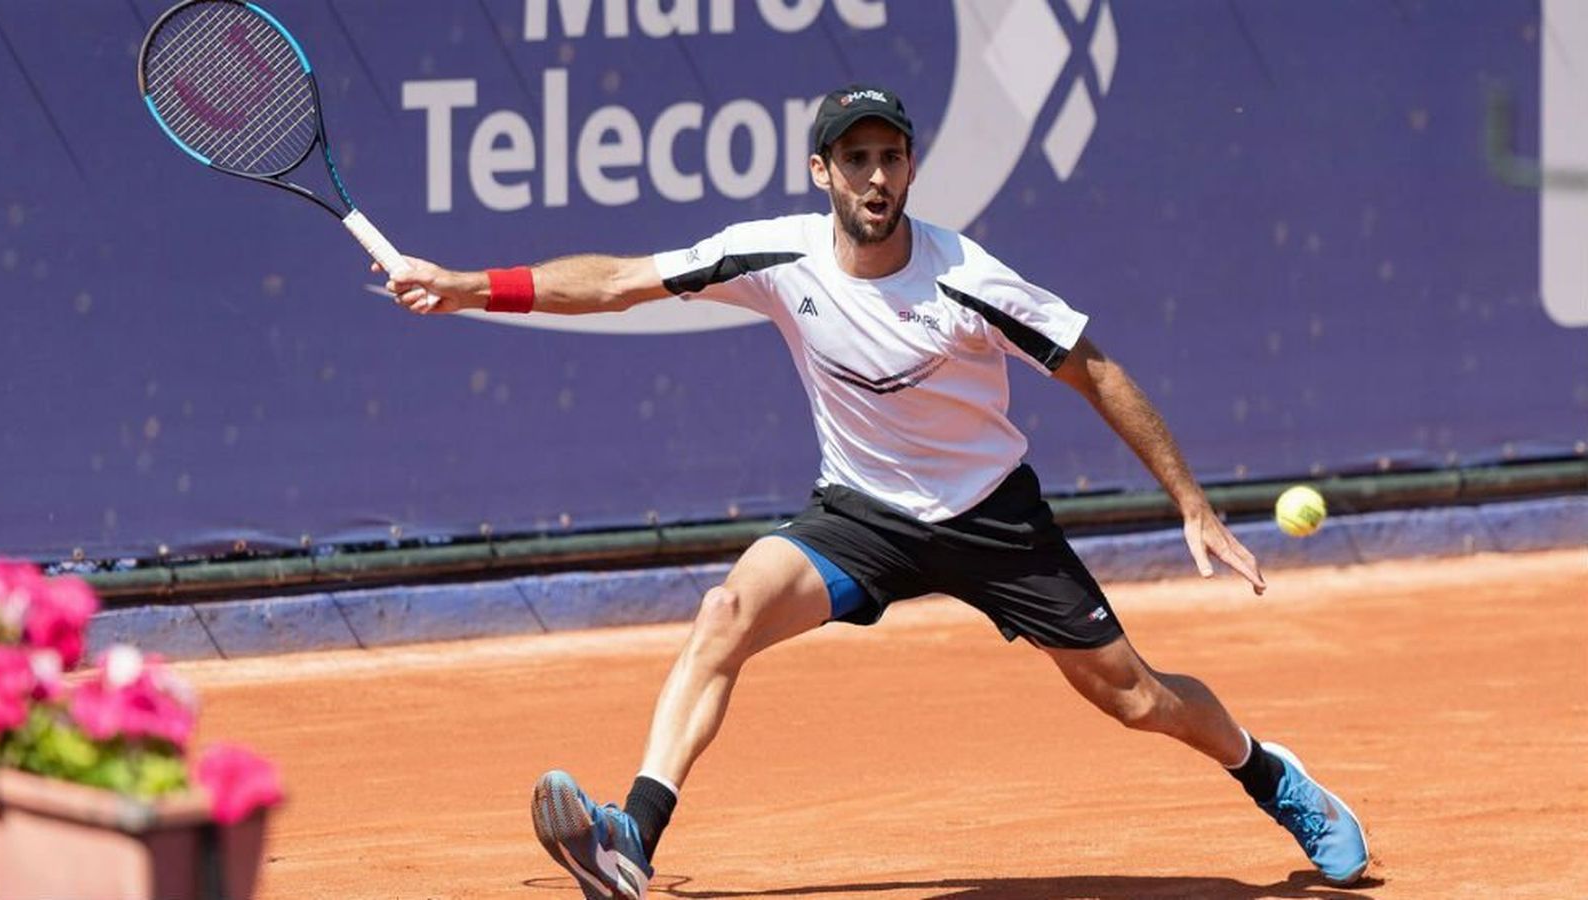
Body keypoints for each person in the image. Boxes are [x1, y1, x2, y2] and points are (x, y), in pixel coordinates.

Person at [379, 84, 1370, 898]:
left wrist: (1191, 501)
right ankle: (632, 833)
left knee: (1136, 698)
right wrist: (470, 286)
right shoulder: (778, 255)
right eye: (855, 159)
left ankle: (1268, 773)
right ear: (823, 172)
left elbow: (1094, 369)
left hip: (991, 516)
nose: (876, 176)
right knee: (725, 614)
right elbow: (616, 283)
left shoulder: (968, 277)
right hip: (860, 516)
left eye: (890, 157)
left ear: (910, 168)